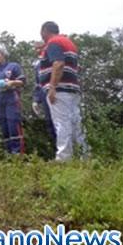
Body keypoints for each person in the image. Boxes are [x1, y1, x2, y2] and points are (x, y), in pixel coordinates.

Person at [39, 21, 89, 161]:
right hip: (72, 89)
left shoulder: (53, 43)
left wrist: (52, 87)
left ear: (44, 31)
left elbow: (58, 63)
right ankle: (83, 155)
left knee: (61, 123)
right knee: (75, 123)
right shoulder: (68, 42)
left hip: (60, 89)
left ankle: (63, 158)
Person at [0, 46, 26, 154]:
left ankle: (18, 155)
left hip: (12, 100)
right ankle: (8, 155)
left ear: (3, 54)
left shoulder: (13, 66)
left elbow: (22, 81)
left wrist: (11, 83)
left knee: (13, 126)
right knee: (3, 130)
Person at [31, 41, 56, 143]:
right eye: (36, 49)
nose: (38, 50)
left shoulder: (53, 58)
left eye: (40, 47)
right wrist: (36, 100)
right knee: (49, 122)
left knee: (60, 121)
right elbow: (38, 82)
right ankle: (57, 150)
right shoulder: (37, 64)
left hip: (55, 91)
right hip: (43, 94)